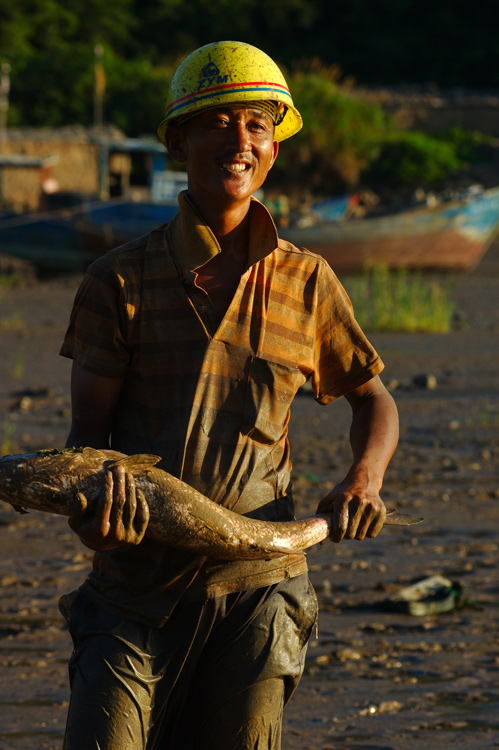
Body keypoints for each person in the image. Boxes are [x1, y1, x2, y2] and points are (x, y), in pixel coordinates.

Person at [59, 41, 399, 750]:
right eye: (216, 122)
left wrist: (361, 480)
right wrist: (94, 516)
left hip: (259, 583)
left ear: (273, 147)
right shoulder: (118, 280)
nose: (239, 141)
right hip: (132, 589)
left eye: (256, 124)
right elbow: (84, 446)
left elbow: (375, 400)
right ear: (178, 141)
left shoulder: (306, 281)